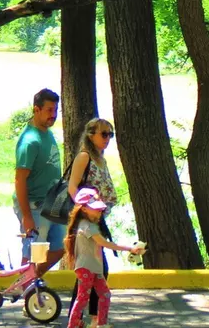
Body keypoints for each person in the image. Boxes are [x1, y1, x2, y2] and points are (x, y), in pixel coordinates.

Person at [63, 188, 144, 328]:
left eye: (100, 209)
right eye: (96, 209)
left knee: (105, 295)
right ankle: (73, 324)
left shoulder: (90, 225)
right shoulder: (87, 227)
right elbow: (105, 243)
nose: (99, 212)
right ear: (84, 209)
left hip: (95, 268)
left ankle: (101, 323)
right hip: (86, 268)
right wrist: (130, 248)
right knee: (82, 298)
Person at [67, 119, 117, 324]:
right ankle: (88, 318)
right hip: (87, 222)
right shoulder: (84, 157)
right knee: (96, 270)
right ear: (90, 135)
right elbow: (72, 188)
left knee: (94, 271)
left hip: (98, 219)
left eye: (110, 135)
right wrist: (86, 213)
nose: (107, 139)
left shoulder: (101, 159)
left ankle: (85, 318)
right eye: (103, 134)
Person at [14, 88, 64, 278]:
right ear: (36, 110)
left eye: (55, 111)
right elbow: (19, 180)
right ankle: (28, 291)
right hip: (35, 206)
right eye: (49, 110)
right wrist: (26, 216)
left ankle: (32, 281)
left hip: (54, 202)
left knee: (61, 246)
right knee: (34, 254)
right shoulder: (29, 141)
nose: (53, 115)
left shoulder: (47, 132)